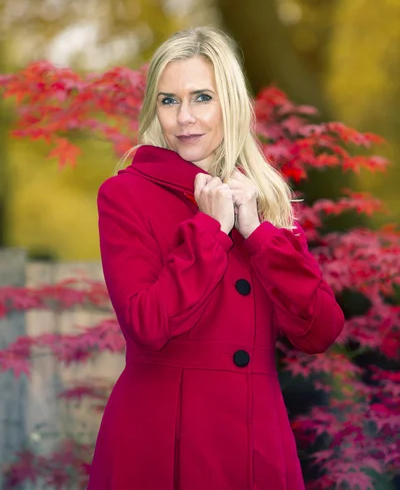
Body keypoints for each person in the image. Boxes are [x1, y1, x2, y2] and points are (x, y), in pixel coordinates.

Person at [87, 26, 345, 490]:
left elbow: (321, 331)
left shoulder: (265, 199)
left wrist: (257, 232)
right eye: (168, 101)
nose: (184, 117)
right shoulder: (125, 195)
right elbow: (146, 325)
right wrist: (209, 229)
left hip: (256, 438)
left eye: (201, 97)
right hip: (162, 438)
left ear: (231, 103)